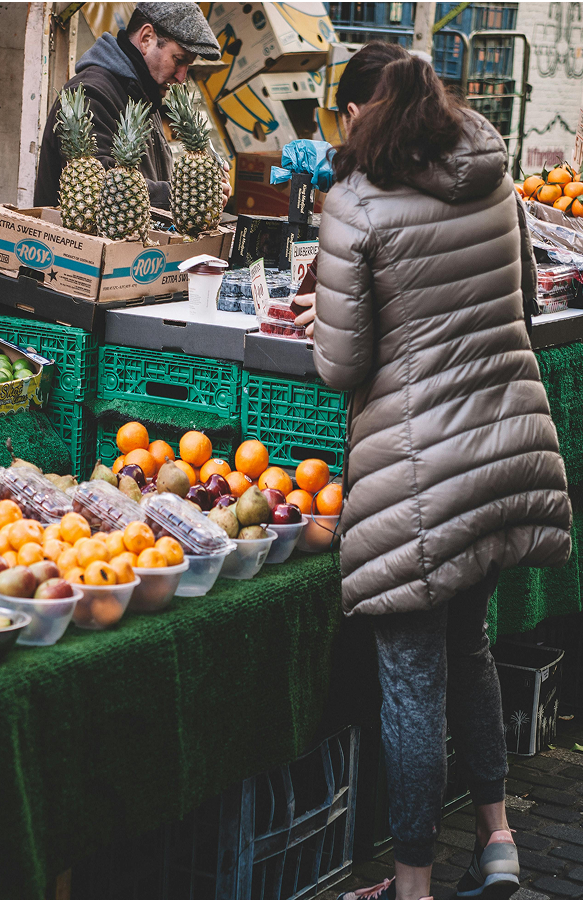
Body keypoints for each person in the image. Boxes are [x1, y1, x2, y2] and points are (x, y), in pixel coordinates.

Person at [292, 42, 573, 900]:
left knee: (411, 681)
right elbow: (524, 297)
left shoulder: (354, 204)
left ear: (356, 118)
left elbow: (342, 366)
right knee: (471, 650)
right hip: (502, 454)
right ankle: (497, 842)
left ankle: (410, 886)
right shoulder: (492, 176)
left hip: (419, 477)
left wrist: (324, 315)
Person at [33, 2, 230, 212]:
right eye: (178, 60)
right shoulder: (90, 94)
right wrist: (187, 194)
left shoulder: (144, 94)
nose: (182, 77)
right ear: (146, 39)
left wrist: (201, 184)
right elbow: (98, 188)